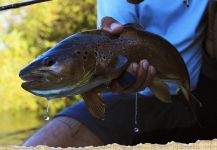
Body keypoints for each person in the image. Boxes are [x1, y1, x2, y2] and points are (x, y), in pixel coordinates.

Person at [23, 0, 212, 147]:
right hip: (135, 97)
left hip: (201, 83)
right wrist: (121, 79)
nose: (46, 67)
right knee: (49, 141)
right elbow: (113, 32)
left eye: (49, 63)